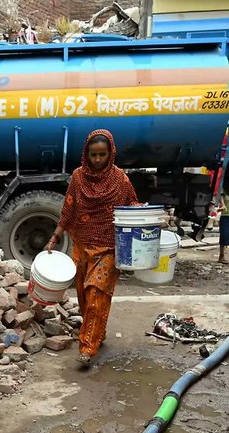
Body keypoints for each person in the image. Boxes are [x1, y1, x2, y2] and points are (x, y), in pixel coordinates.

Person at [44, 129, 140, 366]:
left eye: (102, 155)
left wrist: (151, 217)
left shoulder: (121, 179)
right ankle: (98, 334)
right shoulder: (78, 177)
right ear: (86, 154)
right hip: (82, 245)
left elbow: (132, 205)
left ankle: (87, 347)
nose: (98, 160)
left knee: (96, 292)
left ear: (111, 154)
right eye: (94, 155)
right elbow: (68, 209)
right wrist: (54, 239)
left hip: (108, 247)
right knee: (85, 298)